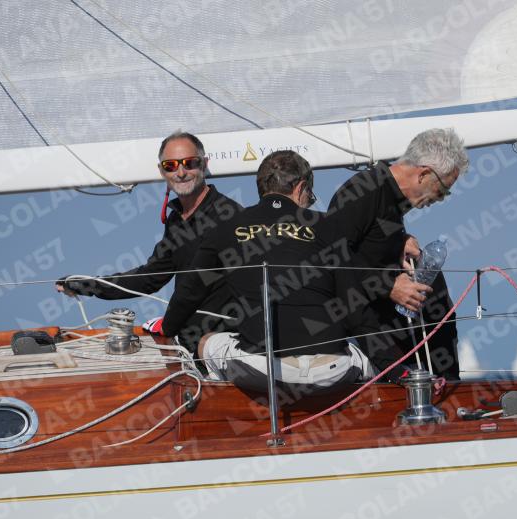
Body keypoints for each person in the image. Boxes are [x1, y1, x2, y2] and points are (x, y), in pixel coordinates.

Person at [161, 150, 373, 395]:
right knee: (361, 349)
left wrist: (167, 331)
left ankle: (225, 405)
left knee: (207, 341)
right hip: (330, 371)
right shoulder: (330, 226)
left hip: (262, 369)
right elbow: (356, 308)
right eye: (310, 196)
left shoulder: (225, 228)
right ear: (300, 187)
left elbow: (188, 293)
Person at [56, 132, 242, 364]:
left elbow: (204, 286)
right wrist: (86, 284)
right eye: (171, 165)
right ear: (162, 171)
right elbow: (149, 278)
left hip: (222, 349)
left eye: (190, 163)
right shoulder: (177, 220)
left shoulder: (230, 215)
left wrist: (169, 324)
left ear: (204, 164)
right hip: (187, 346)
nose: (181, 172)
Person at [327, 128, 469, 380]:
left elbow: (368, 246)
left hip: (389, 323)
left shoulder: (393, 197)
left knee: (433, 279)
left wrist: (398, 242)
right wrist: (388, 285)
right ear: (424, 174)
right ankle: (445, 382)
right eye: (442, 190)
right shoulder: (364, 190)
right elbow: (331, 258)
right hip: (363, 326)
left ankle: (448, 382)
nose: (440, 199)